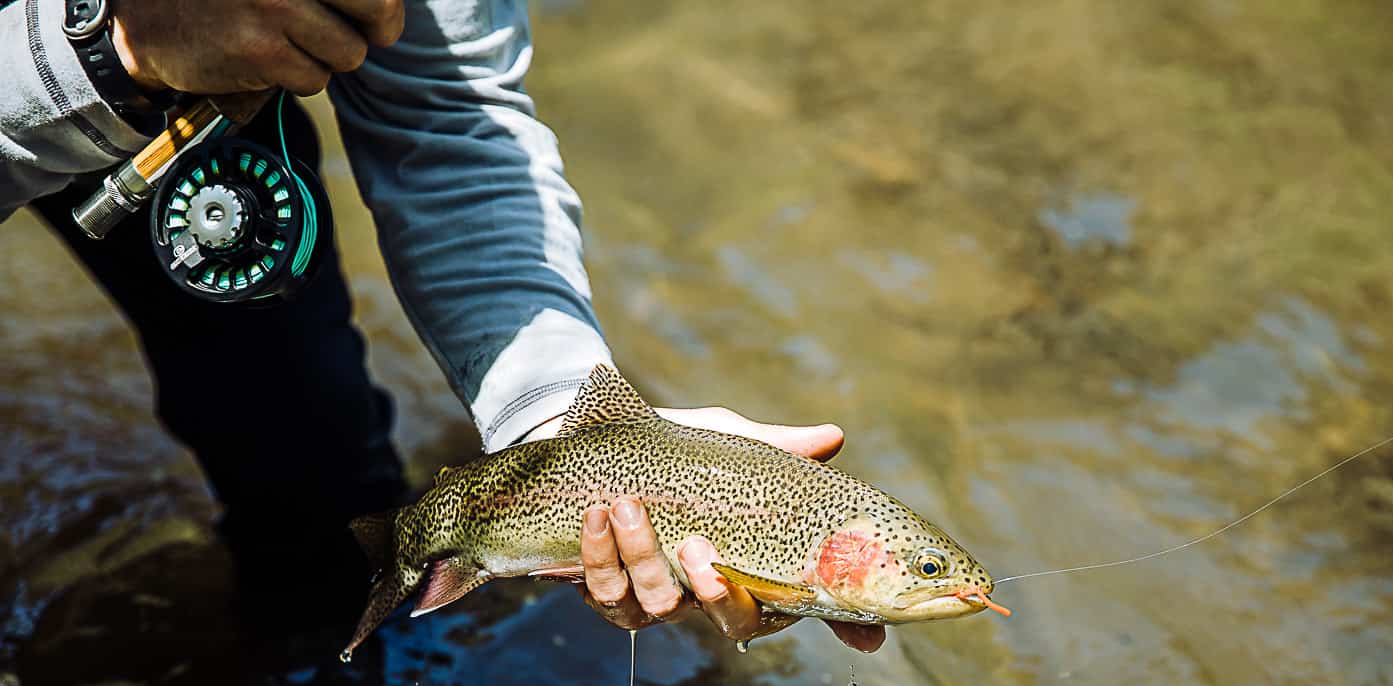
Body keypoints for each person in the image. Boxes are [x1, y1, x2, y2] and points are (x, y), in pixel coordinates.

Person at [0, 0, 884, 652]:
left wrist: (567, 430)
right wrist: (112, 54)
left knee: (312, 456)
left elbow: (450, 119)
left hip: (211, 102)